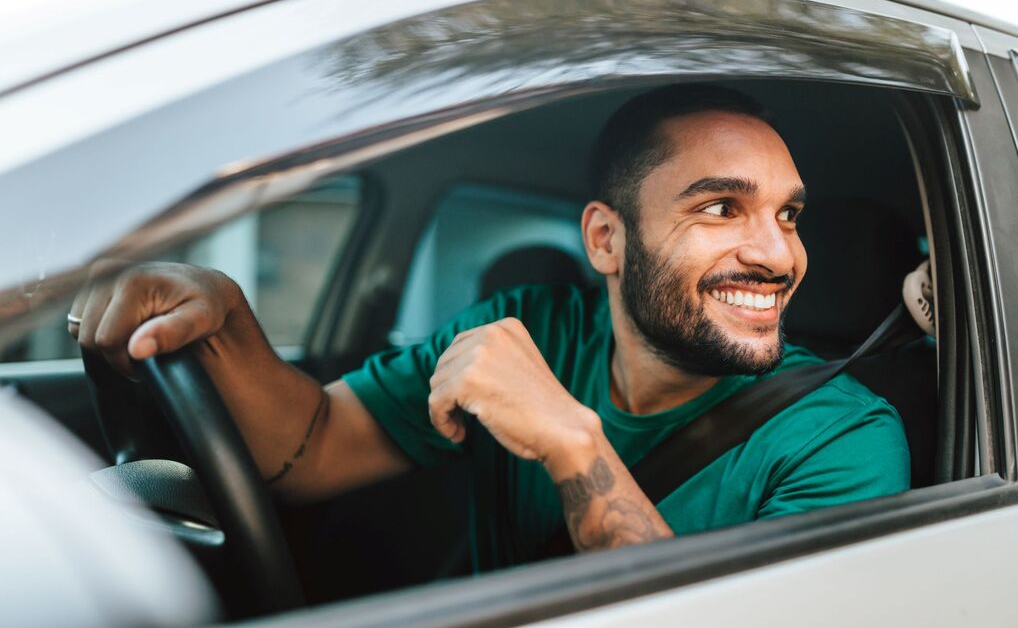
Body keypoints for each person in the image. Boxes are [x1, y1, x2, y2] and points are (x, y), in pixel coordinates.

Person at [68, 85, 909, 569]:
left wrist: (572, 444)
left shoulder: (844, 439)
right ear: (606, 240)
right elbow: (314, 444)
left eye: (790, 215)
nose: (776, 252)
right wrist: (224, 321)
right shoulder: (526, 327)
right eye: (723, 207)